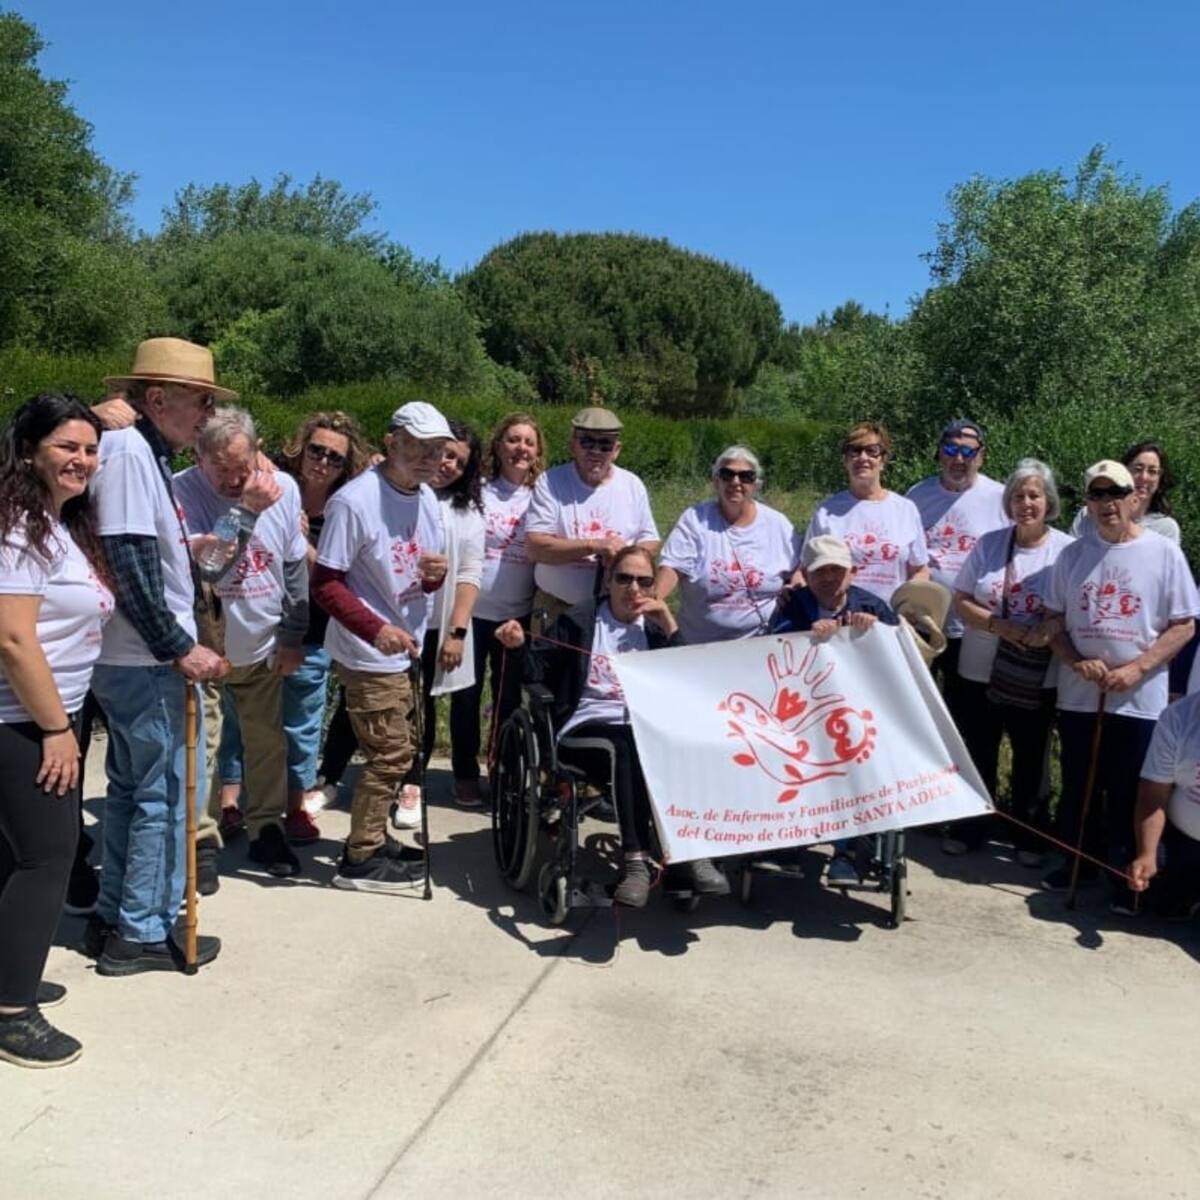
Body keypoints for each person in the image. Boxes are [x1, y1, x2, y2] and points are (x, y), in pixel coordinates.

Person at [87, 338, 228, 976]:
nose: (205, 414)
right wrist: (178, 648)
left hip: (134, 656)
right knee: (163, 794)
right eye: (199, 401)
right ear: (156, 398)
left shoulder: (139, 451)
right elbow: (127, 560)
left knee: (133, 788)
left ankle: (119, 912)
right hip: (145, 659)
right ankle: (141, 930)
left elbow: (147, 554)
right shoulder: (125, 451)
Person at [495, 545, 729, 907]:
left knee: (676, 745)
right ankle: (636, 861)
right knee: (624, 743)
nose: (633, 588)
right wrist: (518, 644)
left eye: (643, 580)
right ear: (609, 580)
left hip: (643, 729)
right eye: (624, 578)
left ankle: (690, 852)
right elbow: (535, 672)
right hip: (584, 726)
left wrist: (669, 623)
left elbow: (688, 680)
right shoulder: (581, 620)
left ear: (654, 586)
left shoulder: (652, 629)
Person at [0, 395, 113, 1068]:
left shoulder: (56, 521)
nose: (82, 459)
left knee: (15, 858)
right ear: (28, 449)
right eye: (67, 446)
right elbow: (13, 640)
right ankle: (13, 1011)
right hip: (22, 720)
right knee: (49, 858)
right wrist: (55, 730)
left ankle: (6, 974)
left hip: (43, 716)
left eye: (91, 448)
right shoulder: (18, 527)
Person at [1043, 459, 1199, 908]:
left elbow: (1184, 624)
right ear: (1088, 502)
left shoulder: (1163, 552)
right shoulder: (1072, 555)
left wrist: (1138, 669)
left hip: (1139, 697)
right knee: (1079, 784)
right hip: (1080, 694)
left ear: (1134, 498)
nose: (1107, 503)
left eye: (1116, 493)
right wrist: (1074, 660)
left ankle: (1125, 876)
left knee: (1131, 788)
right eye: (1098, 494)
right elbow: (1053, 619)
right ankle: (1075, 862)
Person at [311, 402, 450, 894]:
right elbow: (325, 584)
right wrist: (375, 629)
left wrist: (435, 580)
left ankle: (374, 838)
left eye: (438, 449)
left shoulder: (427, 498)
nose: (430, 458)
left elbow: (418, 576)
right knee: (392, 754)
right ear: (392, 442)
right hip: (368, 651)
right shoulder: (354, 502)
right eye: (419, 447)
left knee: (401, 747)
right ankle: (360, 856)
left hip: (404, 645)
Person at [174, 407, 309, 877]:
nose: (233, 479)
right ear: (199, 457)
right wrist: (246, 509)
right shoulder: (180, 492)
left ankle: (266, 826)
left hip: (262, 641)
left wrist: (294, 636)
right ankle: (202, 836)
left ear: (257, 453)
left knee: (267, 741)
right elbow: (211, 567)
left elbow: (294, 567)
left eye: (242, 467)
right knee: (202, 742)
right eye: (221, 469)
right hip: (205, 646)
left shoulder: (285, 488)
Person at [947, 460, 1073, 863]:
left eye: (1034, 495)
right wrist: (1002, 627)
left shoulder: (1066, 549)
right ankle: (971, 825)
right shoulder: (989, 544)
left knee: (1030, 755)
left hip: (1037, 672)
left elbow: (1072, 608)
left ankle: (1027, 832)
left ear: (1048, 501)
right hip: (980, 666)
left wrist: (1045, 630)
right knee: (979, 748)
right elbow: (961, 599)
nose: (1026, 503)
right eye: (1018, 496)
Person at [769, 534, 898, 884]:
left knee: (856, 761)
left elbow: (899, 659)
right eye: (820, 571)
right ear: (806, 576)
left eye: (836, 570)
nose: (828, 578)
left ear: (852, 572)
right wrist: (806, 634)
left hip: (858, 713)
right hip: (802, 712)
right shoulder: (793, 605)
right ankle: (790, 843)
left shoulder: (873, 607)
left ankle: (847, 852)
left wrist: (874, 633)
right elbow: (773, 647)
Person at [276, 411, 374, 817]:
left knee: (301, 726)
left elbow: (338, 579)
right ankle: (236, 802)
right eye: (317, 451)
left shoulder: (345, 508)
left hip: (314, 632)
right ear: (300, 450)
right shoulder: (276, 491)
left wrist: (300, 541)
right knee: (244, 725)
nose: (323, 462)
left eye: (335, 458)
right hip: (260, 627)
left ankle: (296, 803)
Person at [450, 413, 544, 805]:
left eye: (528, 441)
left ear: (537, 452)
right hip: (471, 612)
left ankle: (501, 770)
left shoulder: (543, 495)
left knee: (506, 699)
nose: (520, 448)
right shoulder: (478, 490)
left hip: (516, 614)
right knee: (465, 697)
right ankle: (465, 774)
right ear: (498, 446)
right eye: (512, 439)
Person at [402, 420, 485, 816]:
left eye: (459, 460)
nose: (448, 463)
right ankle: (410, 782)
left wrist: (457, 631)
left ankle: (465, 771)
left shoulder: (465, 511)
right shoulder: (403, 492)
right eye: (445, 452)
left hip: (446, 621)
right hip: (403, 621)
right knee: (414, 707)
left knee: (463, 701)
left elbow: (470, 572)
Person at [906, 419, 1008, 715]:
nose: (959, 458)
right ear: (939, 453)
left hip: (973, 627)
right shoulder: (917, 495)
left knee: (967, 710)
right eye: (950, 449)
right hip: (923, 621)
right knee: (916, 706)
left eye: (968, 451)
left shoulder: (1000, 498)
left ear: (981, 455)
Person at [655, 445, 800, 643]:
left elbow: (798, 568)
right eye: (727, 474)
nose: (736, 482)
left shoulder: (778, 524)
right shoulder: (695, 519)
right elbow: (673, 566)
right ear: (716, 481)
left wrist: (795, 588)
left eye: (746, 476)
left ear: (756, 485)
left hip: (763, 643)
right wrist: (655, 599)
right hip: (702, 644)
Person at [525, 407, 659, 619]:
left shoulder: (633, 485)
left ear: (616, 450)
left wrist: (622, 558)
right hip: (558, 609)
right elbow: (535, 547)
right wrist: (595, 546)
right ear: (573, 445)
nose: (595, 451)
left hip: (616, 610)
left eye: (605, 444)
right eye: (587, 442)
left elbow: (650, 542)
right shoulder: (551, 482)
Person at [803, 422, 929, 603]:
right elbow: (807, 569)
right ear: (845, 460)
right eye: (854, 451)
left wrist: (907, 606)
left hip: (892, 620)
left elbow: (920, 570)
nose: (863, 457)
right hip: (842, 620)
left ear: (883, 460)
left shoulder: (905, 509)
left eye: (872, 451)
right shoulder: (827, 512)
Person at [1129, 690, 1200, 918]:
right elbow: (1153, 794)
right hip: (1184, 840)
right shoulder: (1180, 716)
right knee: (1156, 897)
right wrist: (1146, 854)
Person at [1070, 440, 1180, 544]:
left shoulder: (1165, 528)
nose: (1143, 477)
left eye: (1152, 471)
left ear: (1160, 478)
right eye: (1137, 469)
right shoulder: (1087, 516)